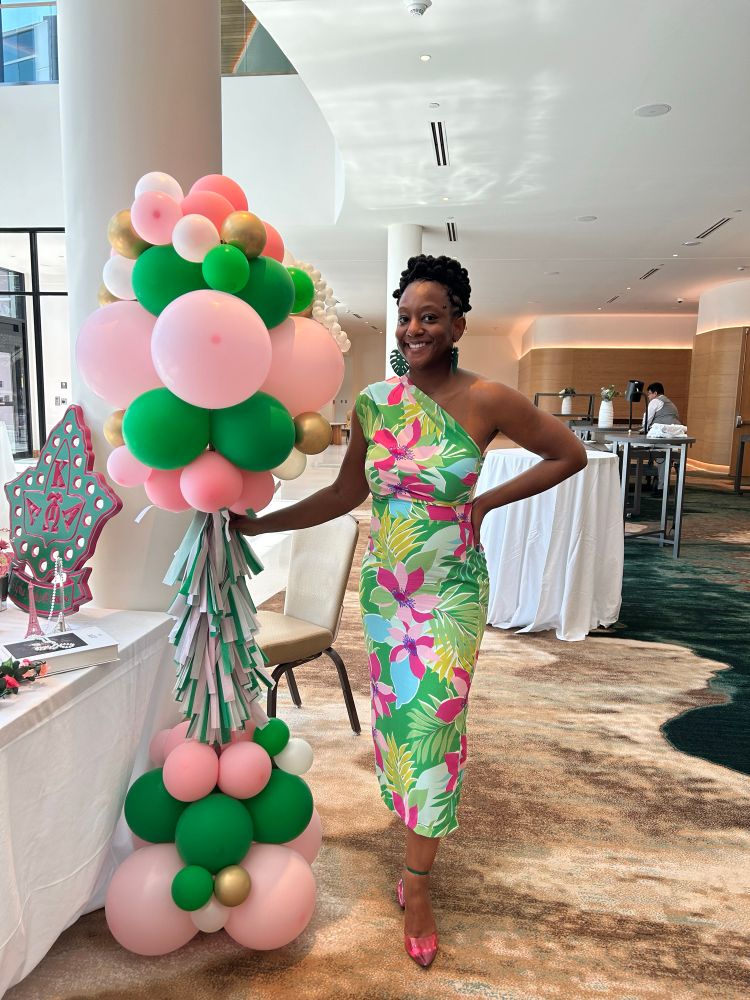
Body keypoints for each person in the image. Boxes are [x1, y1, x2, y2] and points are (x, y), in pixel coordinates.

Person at [233, 254, 587, 967]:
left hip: (451, 593)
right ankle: (412, 846)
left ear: (458, 324)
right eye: (406, 317)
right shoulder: (373, 402)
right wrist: (264, 525)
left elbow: (568, 453)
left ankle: (418, 883)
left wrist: (484, 500)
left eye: (430, 317)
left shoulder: (489, 399)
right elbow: (342, 497)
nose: (415, 328)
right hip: (388, 592)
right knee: (400, 731)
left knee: (436, 729)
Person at [640, 382, 681, 491]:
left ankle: (660, 487)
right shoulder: (671, 404)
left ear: (655, 393)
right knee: (664, 457)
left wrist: (643, 429)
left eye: (649, 394)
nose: (648, 397)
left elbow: (647, 420)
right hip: (675, 438)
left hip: (662, 437)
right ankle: (660, 483)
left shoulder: (655, 401)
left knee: (659, 456)